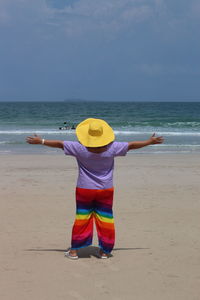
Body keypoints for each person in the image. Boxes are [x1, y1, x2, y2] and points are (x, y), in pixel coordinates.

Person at [26, 118, 163, 260]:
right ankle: (104, 251)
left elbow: (60, 144)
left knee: (82, 218)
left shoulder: (79, 148)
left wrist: (40, 141)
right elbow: (132, 145)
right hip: (106, 189)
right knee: (106, 219)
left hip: (84, 189)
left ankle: (74, 252)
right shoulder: (113, 148)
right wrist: (149, 142)